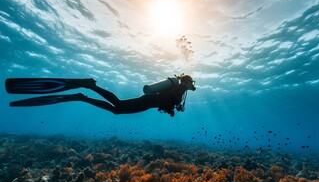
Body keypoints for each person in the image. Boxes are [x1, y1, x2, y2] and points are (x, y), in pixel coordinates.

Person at [5, 74, 196, 117]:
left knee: (117, 110)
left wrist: (171, 109)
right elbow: (175, 96)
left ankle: (83, 96)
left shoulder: (179, 90)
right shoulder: (180, 88)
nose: (192, 87)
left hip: (149, 103)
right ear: (186, 82)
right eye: (191, 83)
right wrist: (188, 85)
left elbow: (170, 103)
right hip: (149, 100)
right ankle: (89, 87)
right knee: (119, 105)